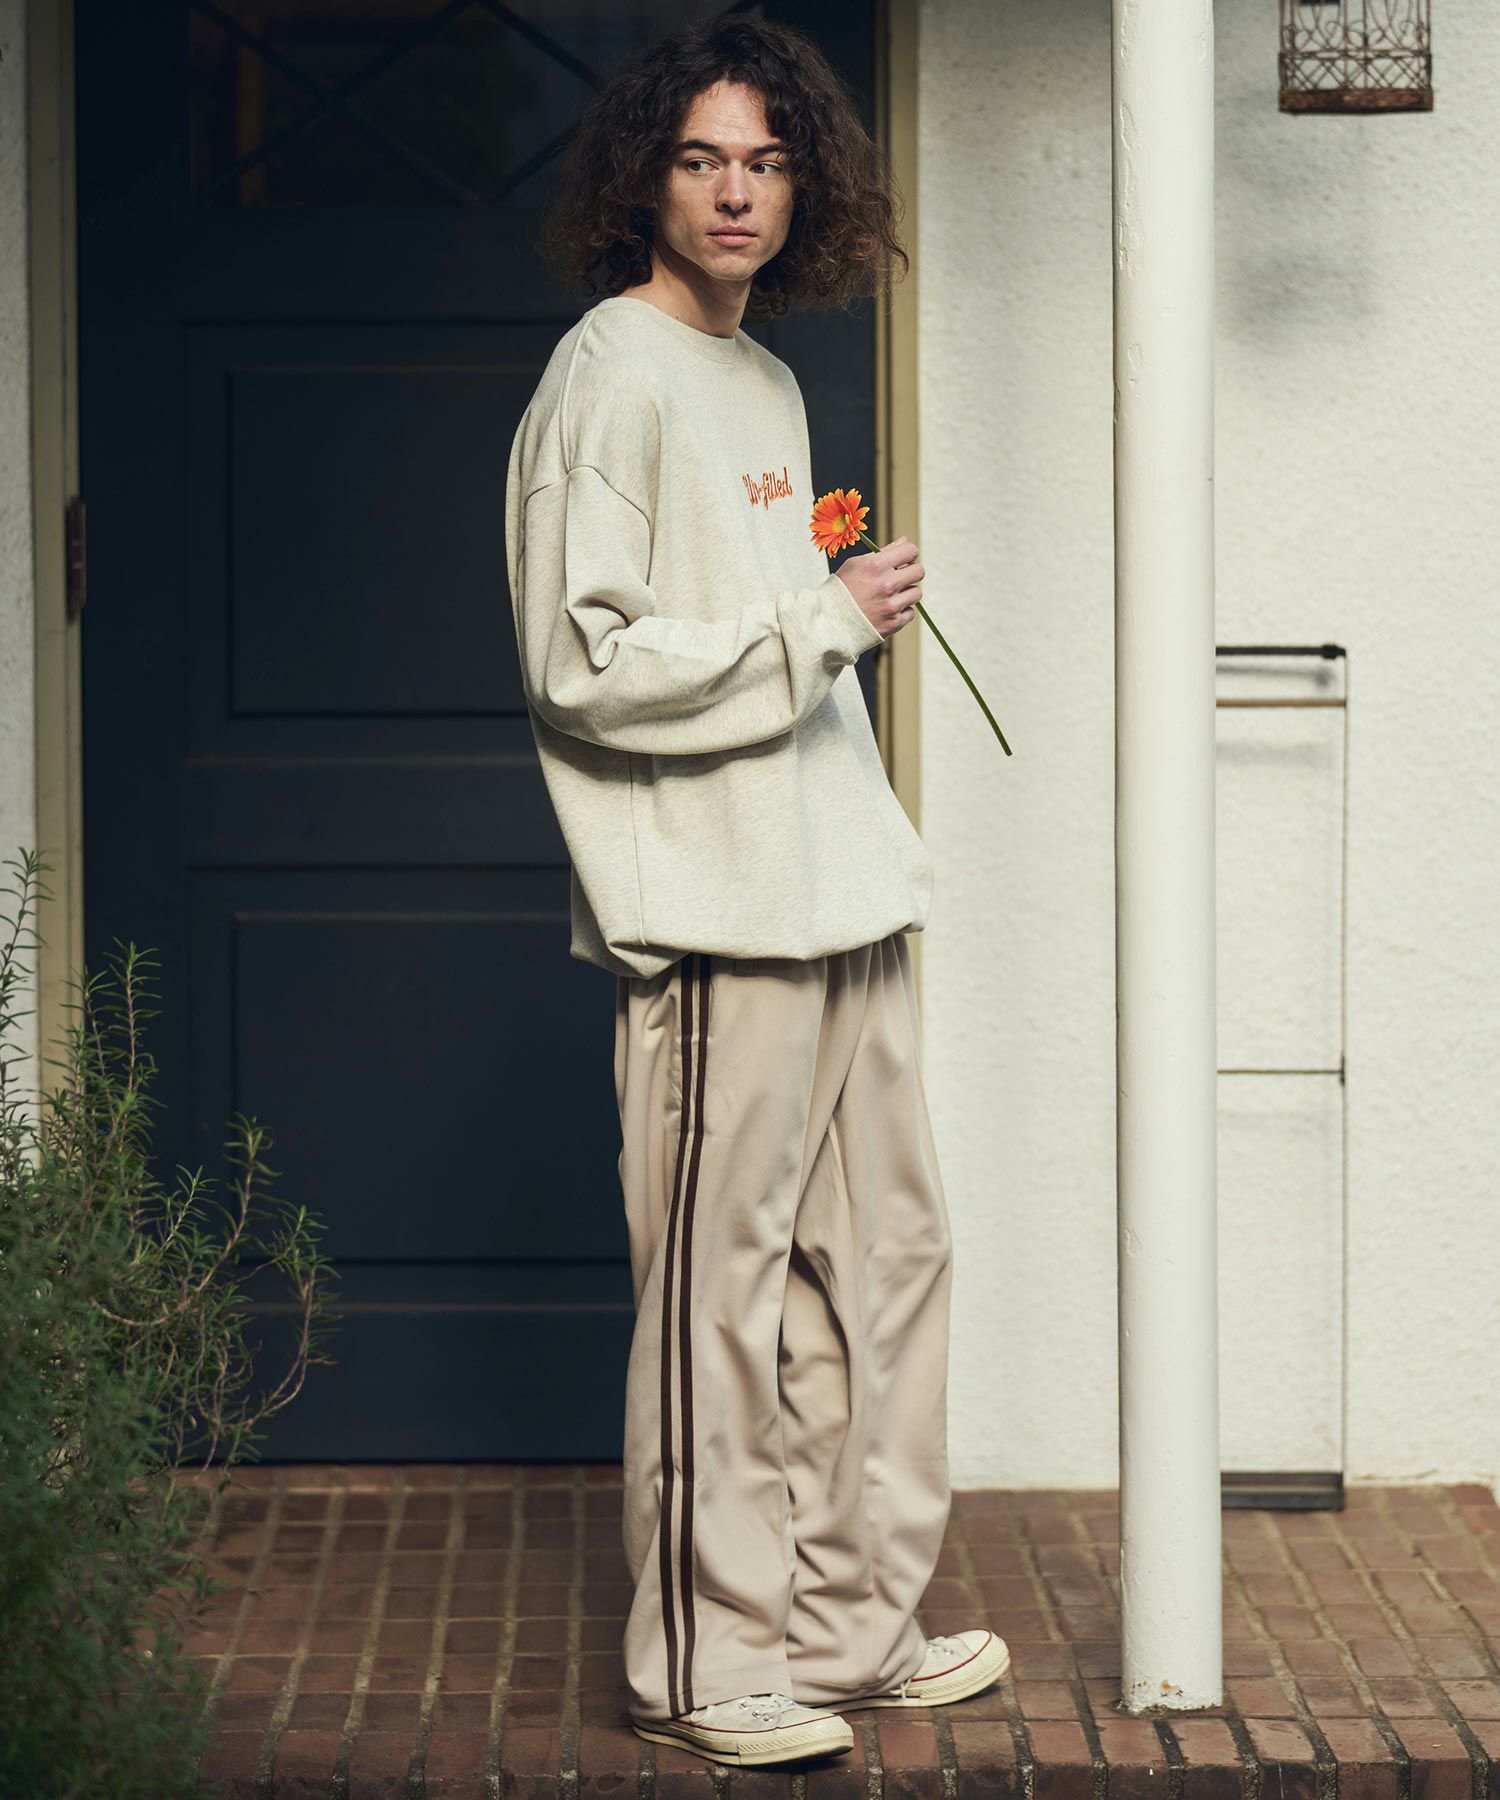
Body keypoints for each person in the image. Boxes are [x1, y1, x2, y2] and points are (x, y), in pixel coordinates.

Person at [503, 13, 1008, 1770]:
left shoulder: (769, 382)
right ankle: (705, 1659)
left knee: (886, 1263)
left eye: (770, 161)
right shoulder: (609, 373)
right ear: (646, 176)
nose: (738, 192)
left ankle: (847, 1626)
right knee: (720, 1297)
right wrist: (816, 622)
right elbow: (582, 664)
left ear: (808, 186)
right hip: (721, 914)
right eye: (705, 158)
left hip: (842, 890)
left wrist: (832, 615)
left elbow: (779, 640)